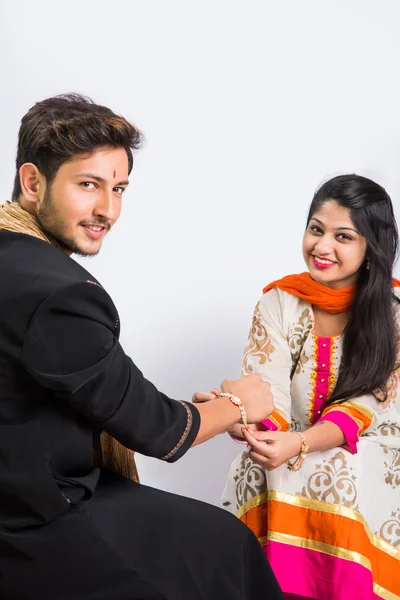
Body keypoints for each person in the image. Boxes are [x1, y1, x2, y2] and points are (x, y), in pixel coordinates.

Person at [0, 94, 285, 600]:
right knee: (230, 550)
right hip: (36, 525)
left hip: (23, 496)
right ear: (31, 182)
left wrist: (212, 410)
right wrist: (242, 402)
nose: (106, 209)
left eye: (119, 189)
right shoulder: (58, 292)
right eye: (88, 185)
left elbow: (102, 392)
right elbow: (161, 431)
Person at [222, 175, 400, 600]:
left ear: (371, 249)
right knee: (253, 467)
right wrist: (249, 423)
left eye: (343, 236)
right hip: (289, 438)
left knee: (337, 469)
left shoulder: (391, 314)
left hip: (372, 447)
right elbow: (267, 389)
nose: (322, 247)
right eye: (316, 229)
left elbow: (366, 408)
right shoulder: (279, 301)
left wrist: (300, 444)